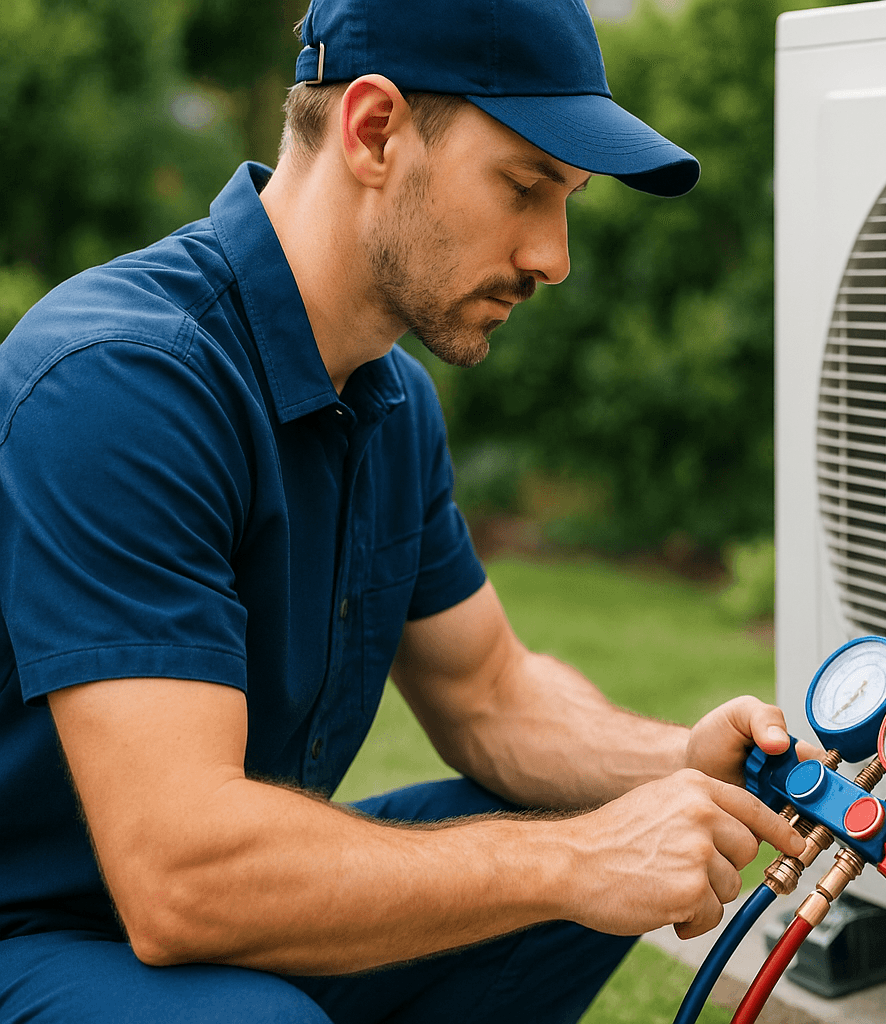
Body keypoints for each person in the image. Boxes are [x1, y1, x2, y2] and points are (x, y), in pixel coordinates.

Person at [0, 0, 807, 1020]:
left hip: (183, 923)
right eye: (525, 187)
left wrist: (676, 763)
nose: (554, 257)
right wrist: (569, 858)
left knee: (567, 827)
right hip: (35, 930)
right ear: (373, 130)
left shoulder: (387, 400)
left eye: (568, 202)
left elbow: (489, 694)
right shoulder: (123, 382)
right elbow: (183, 875)